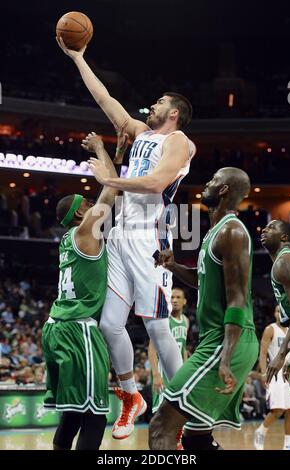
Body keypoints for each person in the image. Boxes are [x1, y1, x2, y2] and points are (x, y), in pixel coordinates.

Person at [58, 37, 196, 439]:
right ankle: (132, 396)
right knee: (109, 324)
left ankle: (179, 406)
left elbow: (156, 182)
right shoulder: (138, 132)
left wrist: (108, 178)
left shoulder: (179, 142)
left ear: (173, 113)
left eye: (157, 103)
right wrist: (79, 58)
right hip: (119, 235)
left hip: (148, 239)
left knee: (157, 329)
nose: (149, 107)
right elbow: (104, 98)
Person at [148, 167, 259, 450]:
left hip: (226, 342)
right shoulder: (215, 233)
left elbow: (237, 300)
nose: (207, 184)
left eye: (213, 180)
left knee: (161, 426)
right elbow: (202, 280)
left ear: (223, 190)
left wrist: (225, 358)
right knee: (196, 439)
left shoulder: (232, 231)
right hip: (218, 340)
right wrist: (171, 265)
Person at [41, 131, 127, 450]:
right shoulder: (85, 230)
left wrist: (114, 157)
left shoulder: (68, 240)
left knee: (75, 413)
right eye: (88, 204)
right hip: (77, 330)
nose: (93, 206)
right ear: (80, 213)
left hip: (57, 328)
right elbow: (112, 187)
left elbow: (111, 181)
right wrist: (101, 149)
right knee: (94, 414)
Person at [261, 220, 290, 450]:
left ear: (284, 238)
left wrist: (282, 353)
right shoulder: (280, 263)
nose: (264, 230)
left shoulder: (285, 261)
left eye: (271, 228)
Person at [148, 288, 189, 449]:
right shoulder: (162, 320)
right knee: (161, 418)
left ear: (184, 301)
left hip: (178, 376)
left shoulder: (185, 321)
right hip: (163, 376)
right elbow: (152, 348)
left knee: (177, 416)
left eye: (178, 297)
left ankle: (175, 445)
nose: (175, 300)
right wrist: (156, 375)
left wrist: (186, 372)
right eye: (171, 297)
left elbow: (184, 348)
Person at [254, 305, 290, 450]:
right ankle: (261, 431)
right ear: (275, 314)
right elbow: (263, 353)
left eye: (281, 310)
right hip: (274, 373)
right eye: (277, 310)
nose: (279, 313)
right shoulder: (270, 329)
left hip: (289, 373)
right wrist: (264, 373)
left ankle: (288, 445)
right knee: (277, 409)